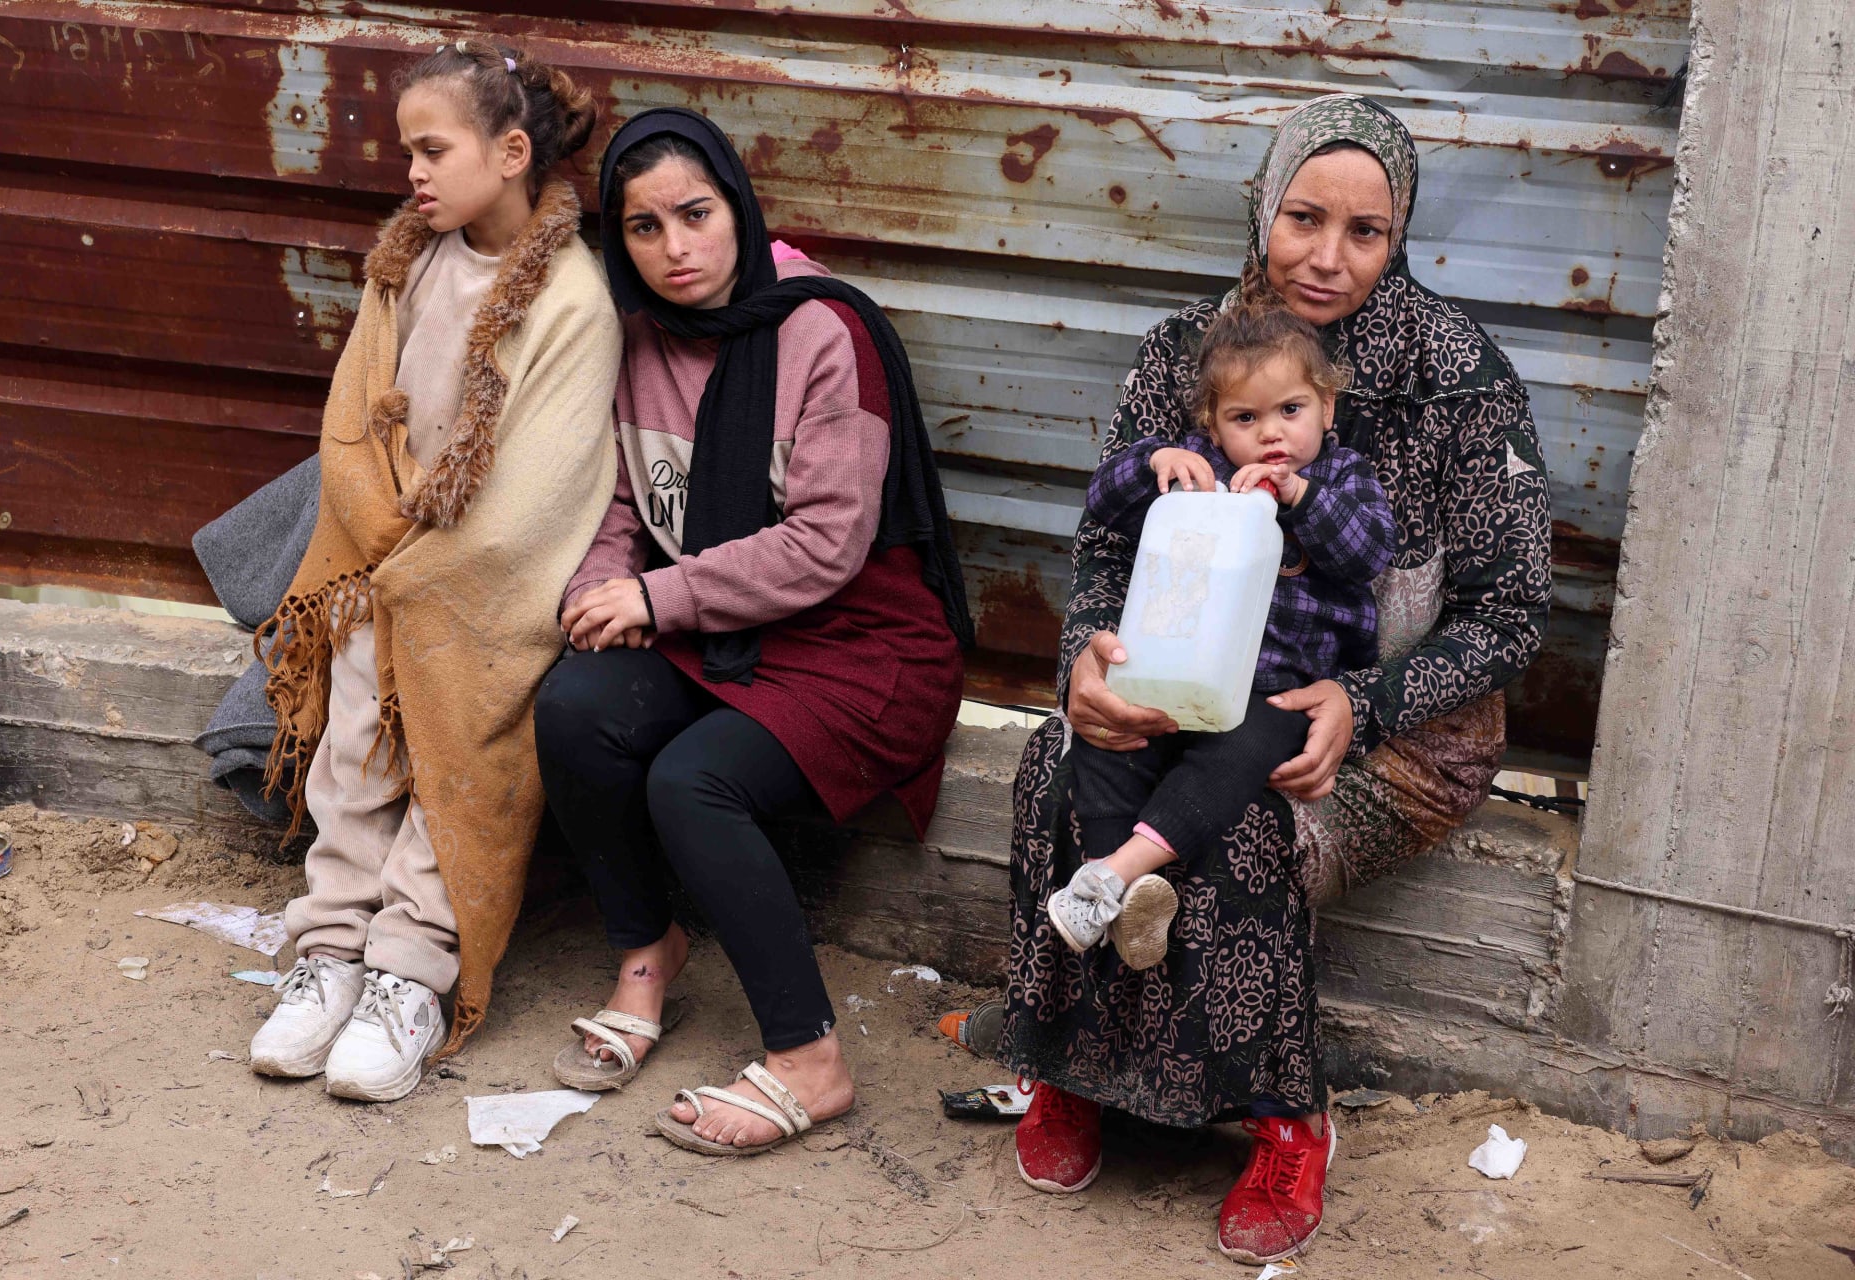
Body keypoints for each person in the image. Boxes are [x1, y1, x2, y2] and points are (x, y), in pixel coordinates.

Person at [1001, 93, 1552, 1266]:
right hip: (1191, 673)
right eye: (1304, 216)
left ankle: (1285, 1116)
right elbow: (1107, 542)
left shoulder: (1458, 376)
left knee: (1246, 809)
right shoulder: (1187, 352)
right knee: (1061, 755)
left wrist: (1371, 701)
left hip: (1400, 727)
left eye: (1367, 232)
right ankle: (1079, 1066)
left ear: (1401, 236)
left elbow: (1513, 611)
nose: (1326, 256)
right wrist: (1090, 658)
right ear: (1265, 205)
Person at [532, 108, 972, 1156]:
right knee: (576, 709)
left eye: (696, 213)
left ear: (738, 204)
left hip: (860, 637)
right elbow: (625, 506)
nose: (676, 248)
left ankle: (810, 1060)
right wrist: (604, 590)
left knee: (694, 778)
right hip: (724, 624)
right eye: (644, 228)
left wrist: (654, 600)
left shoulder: (824, 330)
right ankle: (650, 952)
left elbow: (827, 543)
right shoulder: (634, 336)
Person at [246, 39, 622, 1102]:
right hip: (379, 562)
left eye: (431, 149)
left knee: (460, 766)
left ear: (509, 153)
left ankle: (411, 972)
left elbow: (548, 484)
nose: (412, 172)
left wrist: (433, 568)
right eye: (406, 151)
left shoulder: (571, 300)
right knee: (354, 745)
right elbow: (353, 419)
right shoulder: (406, 262)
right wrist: (378, 546)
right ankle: (328, 951)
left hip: (482, 590)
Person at [1051, 301, 1394, 972]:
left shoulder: (1341, 477)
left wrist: (1298, 495)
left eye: (1290, 410)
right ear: (1213, 423)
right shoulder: (1198, 467)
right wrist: (1157, 459)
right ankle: (1113, 887)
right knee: (1110, 736)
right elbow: (1103, 502)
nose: (1272, 435)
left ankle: (1117, 873)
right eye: (1245, 417)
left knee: (1237, 758)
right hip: (1181, 666)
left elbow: (1367, 552)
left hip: (1276, 687)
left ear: (1327, 407)